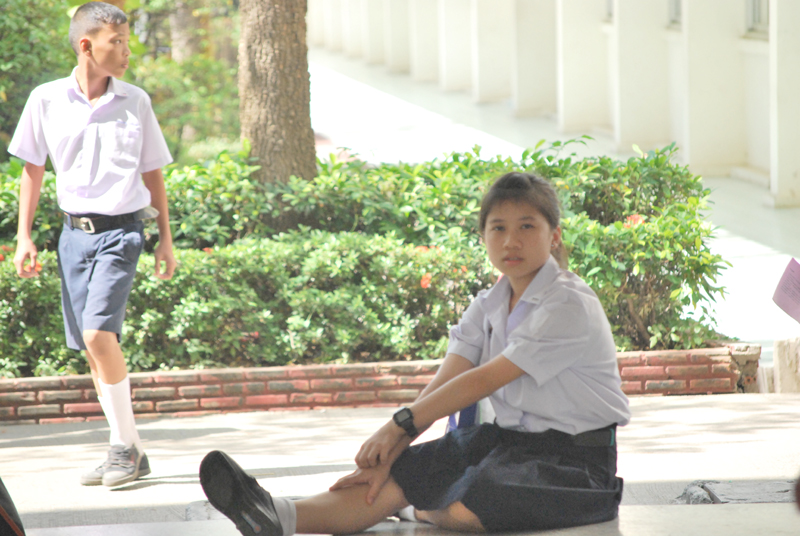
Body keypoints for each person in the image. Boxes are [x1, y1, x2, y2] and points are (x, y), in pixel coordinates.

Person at [199, 172, 631, 534]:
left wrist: (398, 425)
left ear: (554, 236)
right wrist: (396, 445)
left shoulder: (568, 302)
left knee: (484, 498)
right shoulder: (489, 303)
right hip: (505, 445)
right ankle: (277, 515)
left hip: (576, 463)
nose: (510, 241)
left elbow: (484, 380)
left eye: (527, 226)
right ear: (483, 236)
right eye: (498, 228)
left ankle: (411, 509)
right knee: (398, 473)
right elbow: (449, 377)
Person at [8, 2, 176, 488]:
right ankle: (129, 448)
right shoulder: (45, 99)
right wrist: (23, 235)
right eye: (116, 42)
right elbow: (33, 169)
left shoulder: (136, 101)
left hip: (122, 231)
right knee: (91, 348)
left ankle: (123, 449)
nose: (126, 52)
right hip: (72, 237)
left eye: (126, 42)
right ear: (87, 45)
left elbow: (153, 173)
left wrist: (165, 239)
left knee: (99, 335)